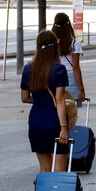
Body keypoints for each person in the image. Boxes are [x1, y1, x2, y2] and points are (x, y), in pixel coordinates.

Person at [21, 30, 70, 173]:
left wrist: (40, 99)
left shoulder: (28, 69)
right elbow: (60, 100)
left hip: (36, 121)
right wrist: (64, 128)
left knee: (44, 167)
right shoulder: (59, 69)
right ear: (55, 46)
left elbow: (24, 98)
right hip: (54, 121)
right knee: (60, 168)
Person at [51, 13, 86, 102]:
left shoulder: (50, 42)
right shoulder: (74, 42)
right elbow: (76, 67)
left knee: (55, 107)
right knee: (71, 109)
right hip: (69, 77)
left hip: (53, 75)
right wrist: (81, 89)